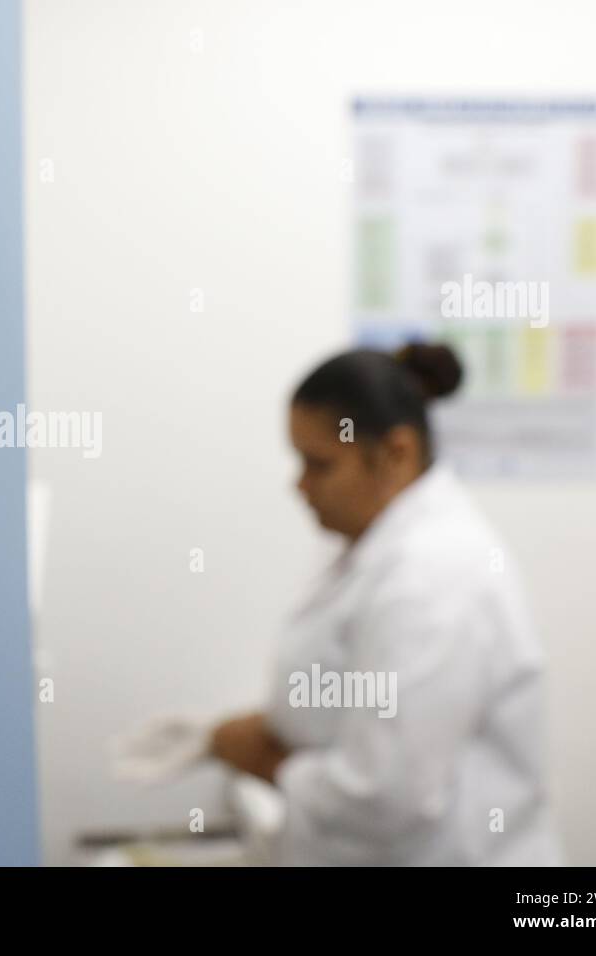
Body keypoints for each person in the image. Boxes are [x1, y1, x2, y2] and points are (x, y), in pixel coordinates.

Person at [209, 343, 562, 865]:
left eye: (318, 464)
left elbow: (387, 795)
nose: (299, 485)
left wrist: (268, 759)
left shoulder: (433, 576)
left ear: (396, 453)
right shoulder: (377, 549)